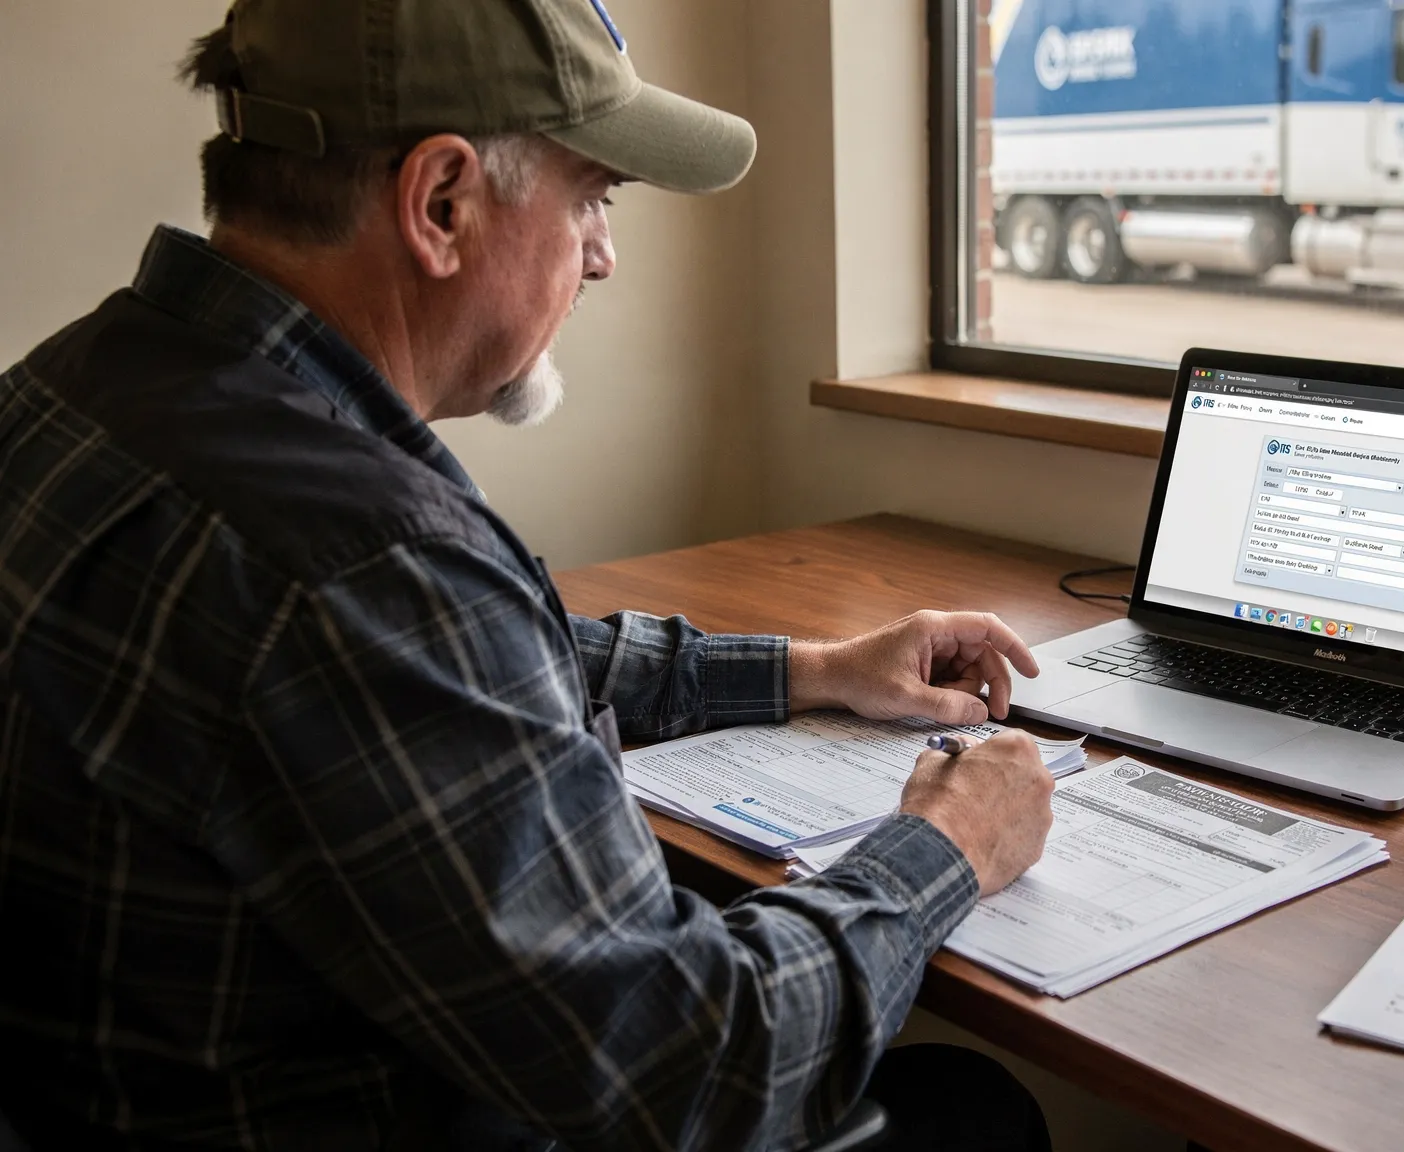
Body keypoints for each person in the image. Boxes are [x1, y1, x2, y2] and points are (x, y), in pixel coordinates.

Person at [0, 2, 1058, 1150]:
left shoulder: (80, 386)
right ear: (441, 203)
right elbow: (701, 1067)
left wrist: (811, 669)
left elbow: (469, 662)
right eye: (591, 199)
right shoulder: (360, 560)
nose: (601, 254)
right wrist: (946, 848)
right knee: (975, 1116)